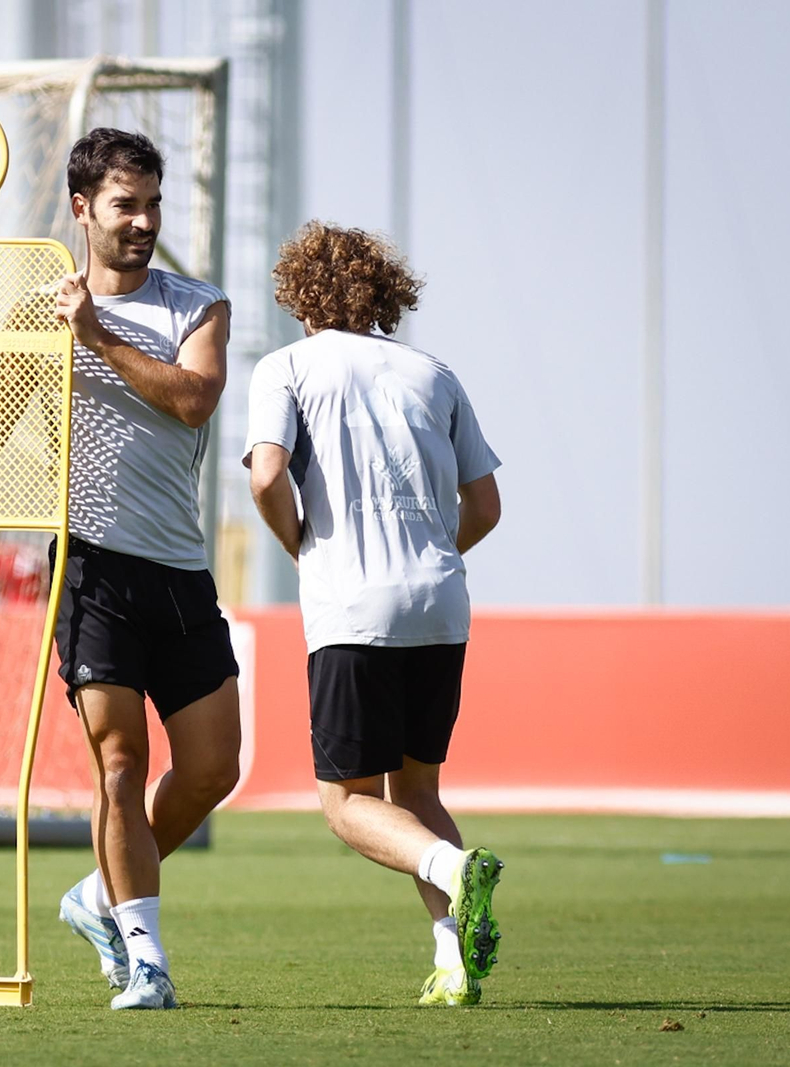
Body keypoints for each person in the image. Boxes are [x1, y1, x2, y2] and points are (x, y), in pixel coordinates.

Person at [0, 128, 241, 1011]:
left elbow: (193, 400)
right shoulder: (37, 311)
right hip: (91, 567)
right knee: (121, 762)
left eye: (152, 204)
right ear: (80, 210)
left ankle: (98, 896)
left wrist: (95, 335)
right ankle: (147, 960)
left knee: (215, 769)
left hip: (179, 570)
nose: (142, 221)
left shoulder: (199, 305)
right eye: (124, 205)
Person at [243, 221, 505, 1007]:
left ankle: (460, 872)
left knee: (347, 803)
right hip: (441, 603)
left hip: (353, 606)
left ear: (299, 293)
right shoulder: (434, 372)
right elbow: (486, 505)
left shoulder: (286, 365)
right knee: (418, 793)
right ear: (385, 294)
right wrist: (432, 557)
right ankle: (454, 966)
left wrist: (301, 546)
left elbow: (265, 477)